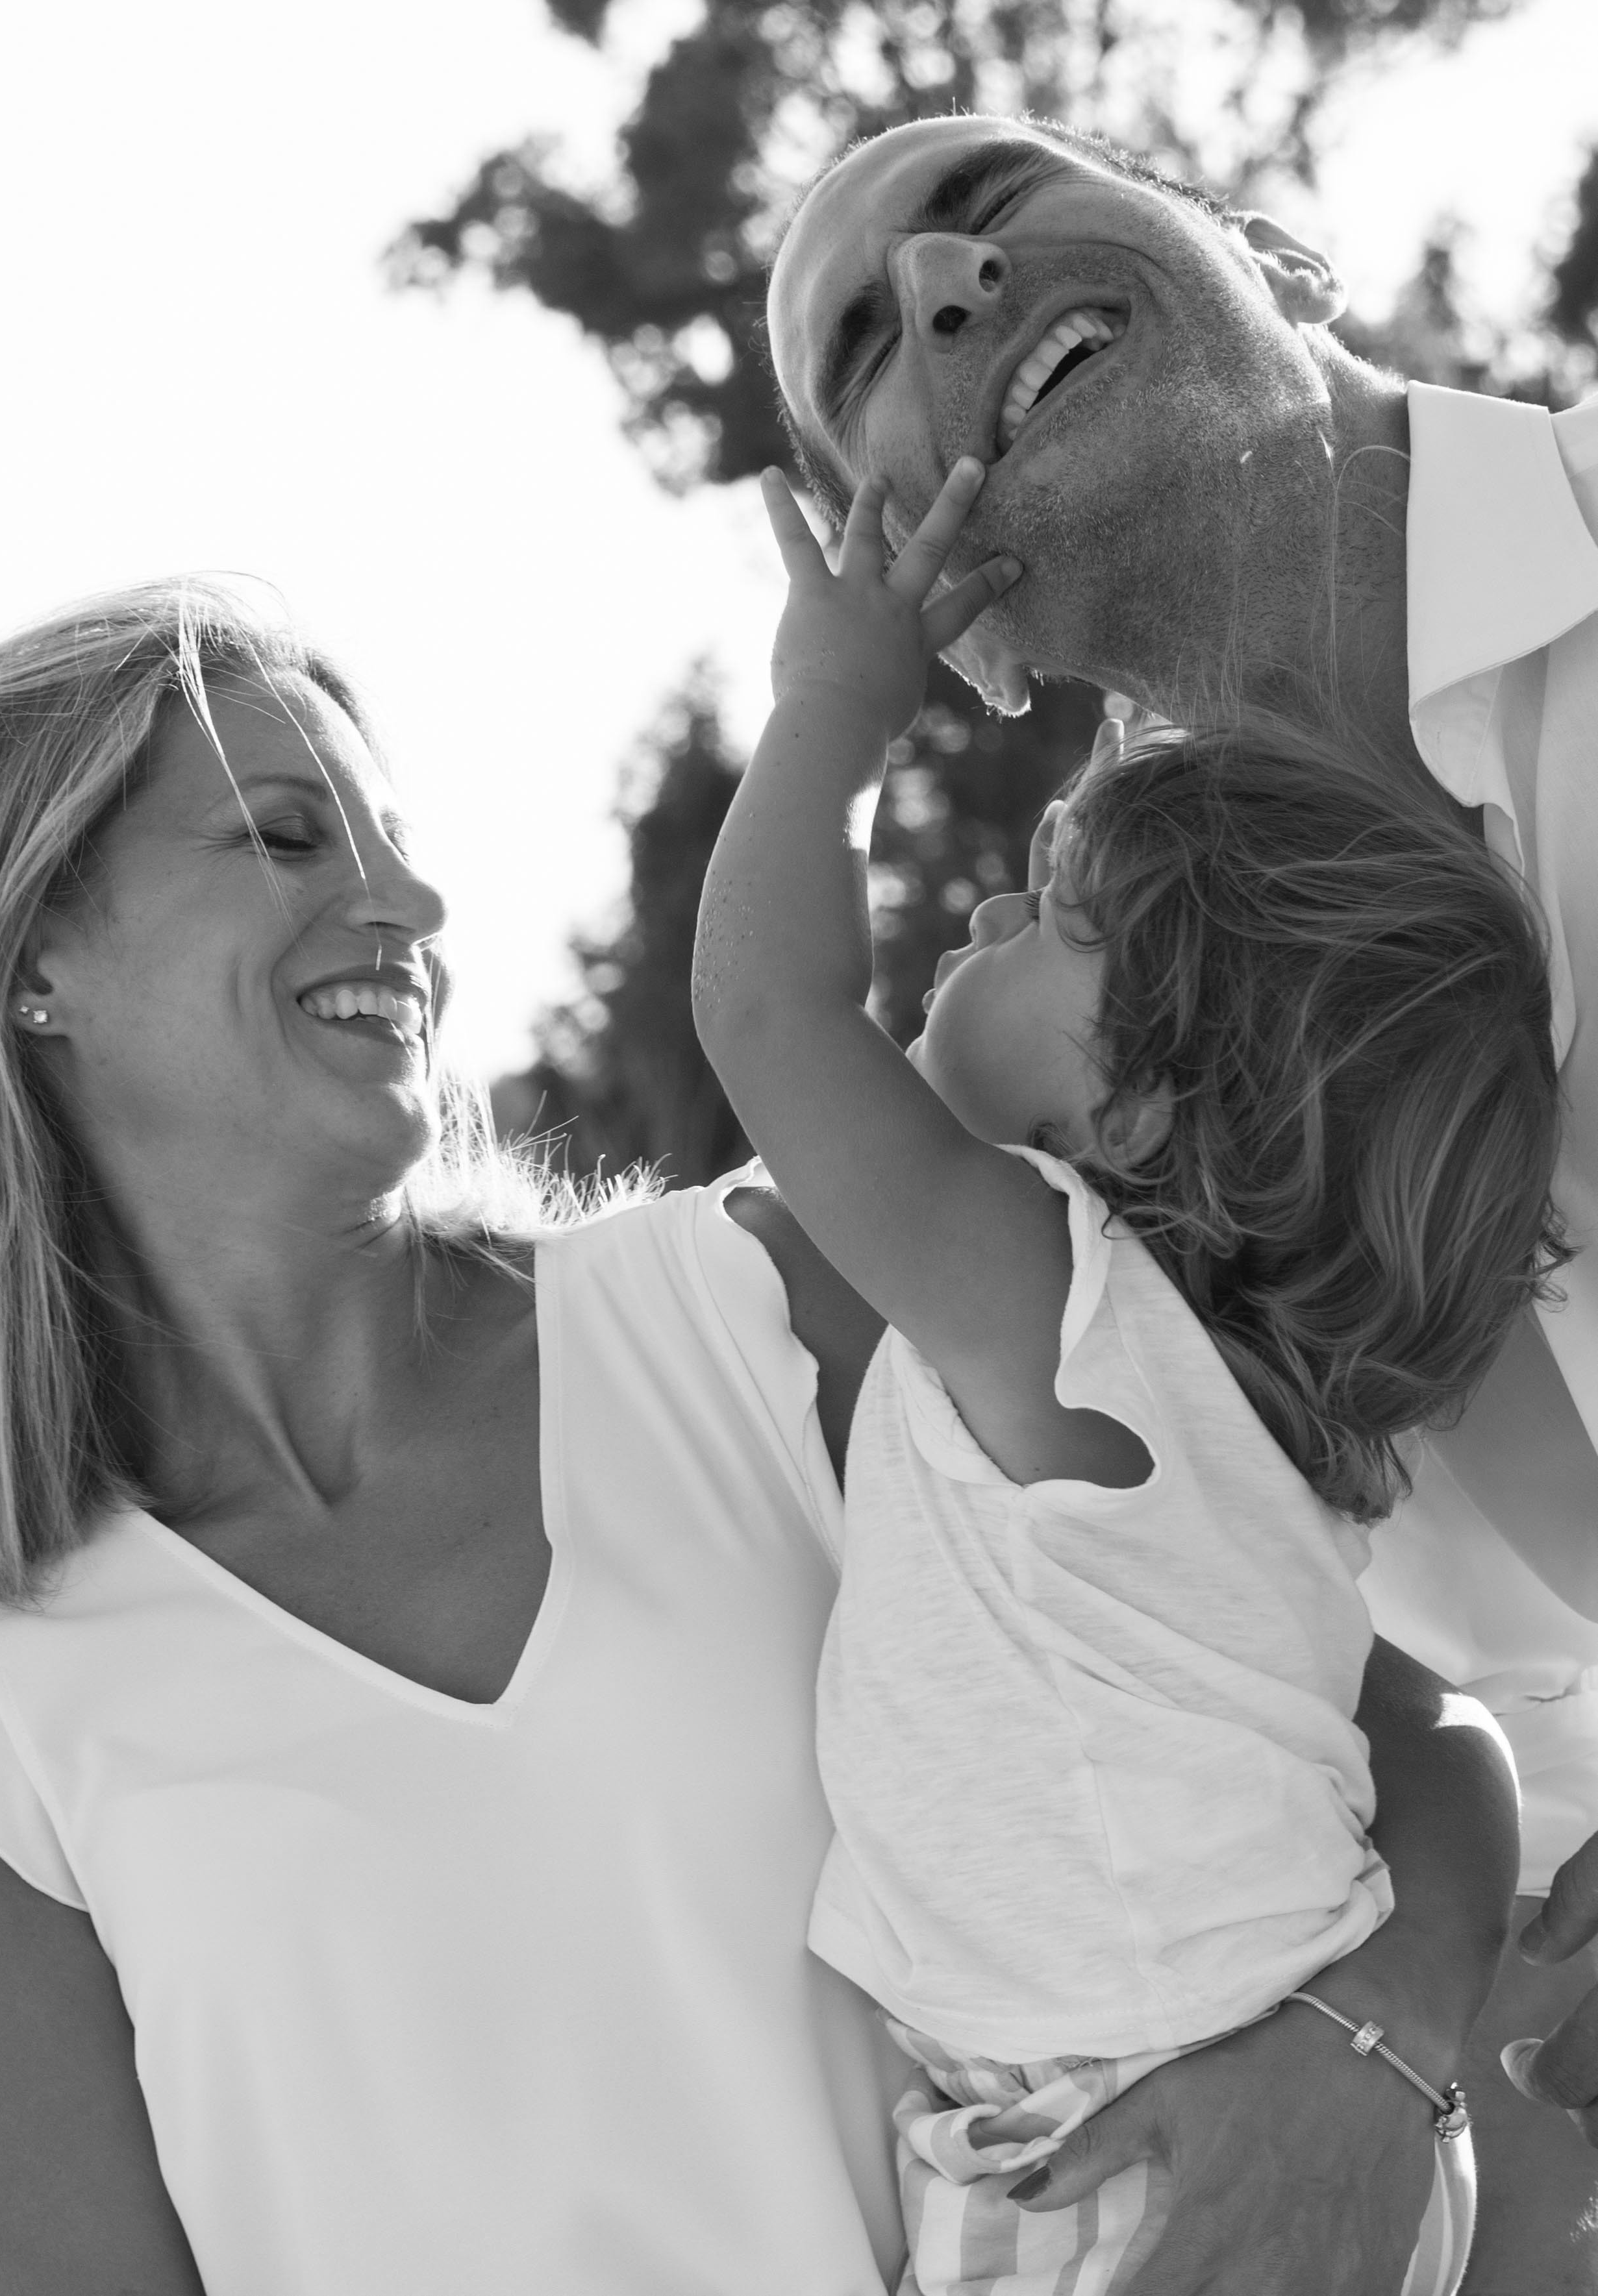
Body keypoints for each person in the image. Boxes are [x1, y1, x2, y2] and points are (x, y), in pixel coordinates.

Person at [0, 578, 1519, 2295]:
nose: (407, 902)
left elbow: (1389, 1718)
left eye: (397, 843)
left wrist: (1366, 2056)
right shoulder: (24, 1690)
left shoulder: (771, 1303)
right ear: (36, 957)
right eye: (282, 837)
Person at [766, 112, 1598, 2288]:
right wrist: (1388, 2027)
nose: (943, 283)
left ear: (1263, 249)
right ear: (942, 612)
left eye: (992, 198)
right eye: (858, 333)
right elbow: (1372, 1710)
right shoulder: (1087, 1150)